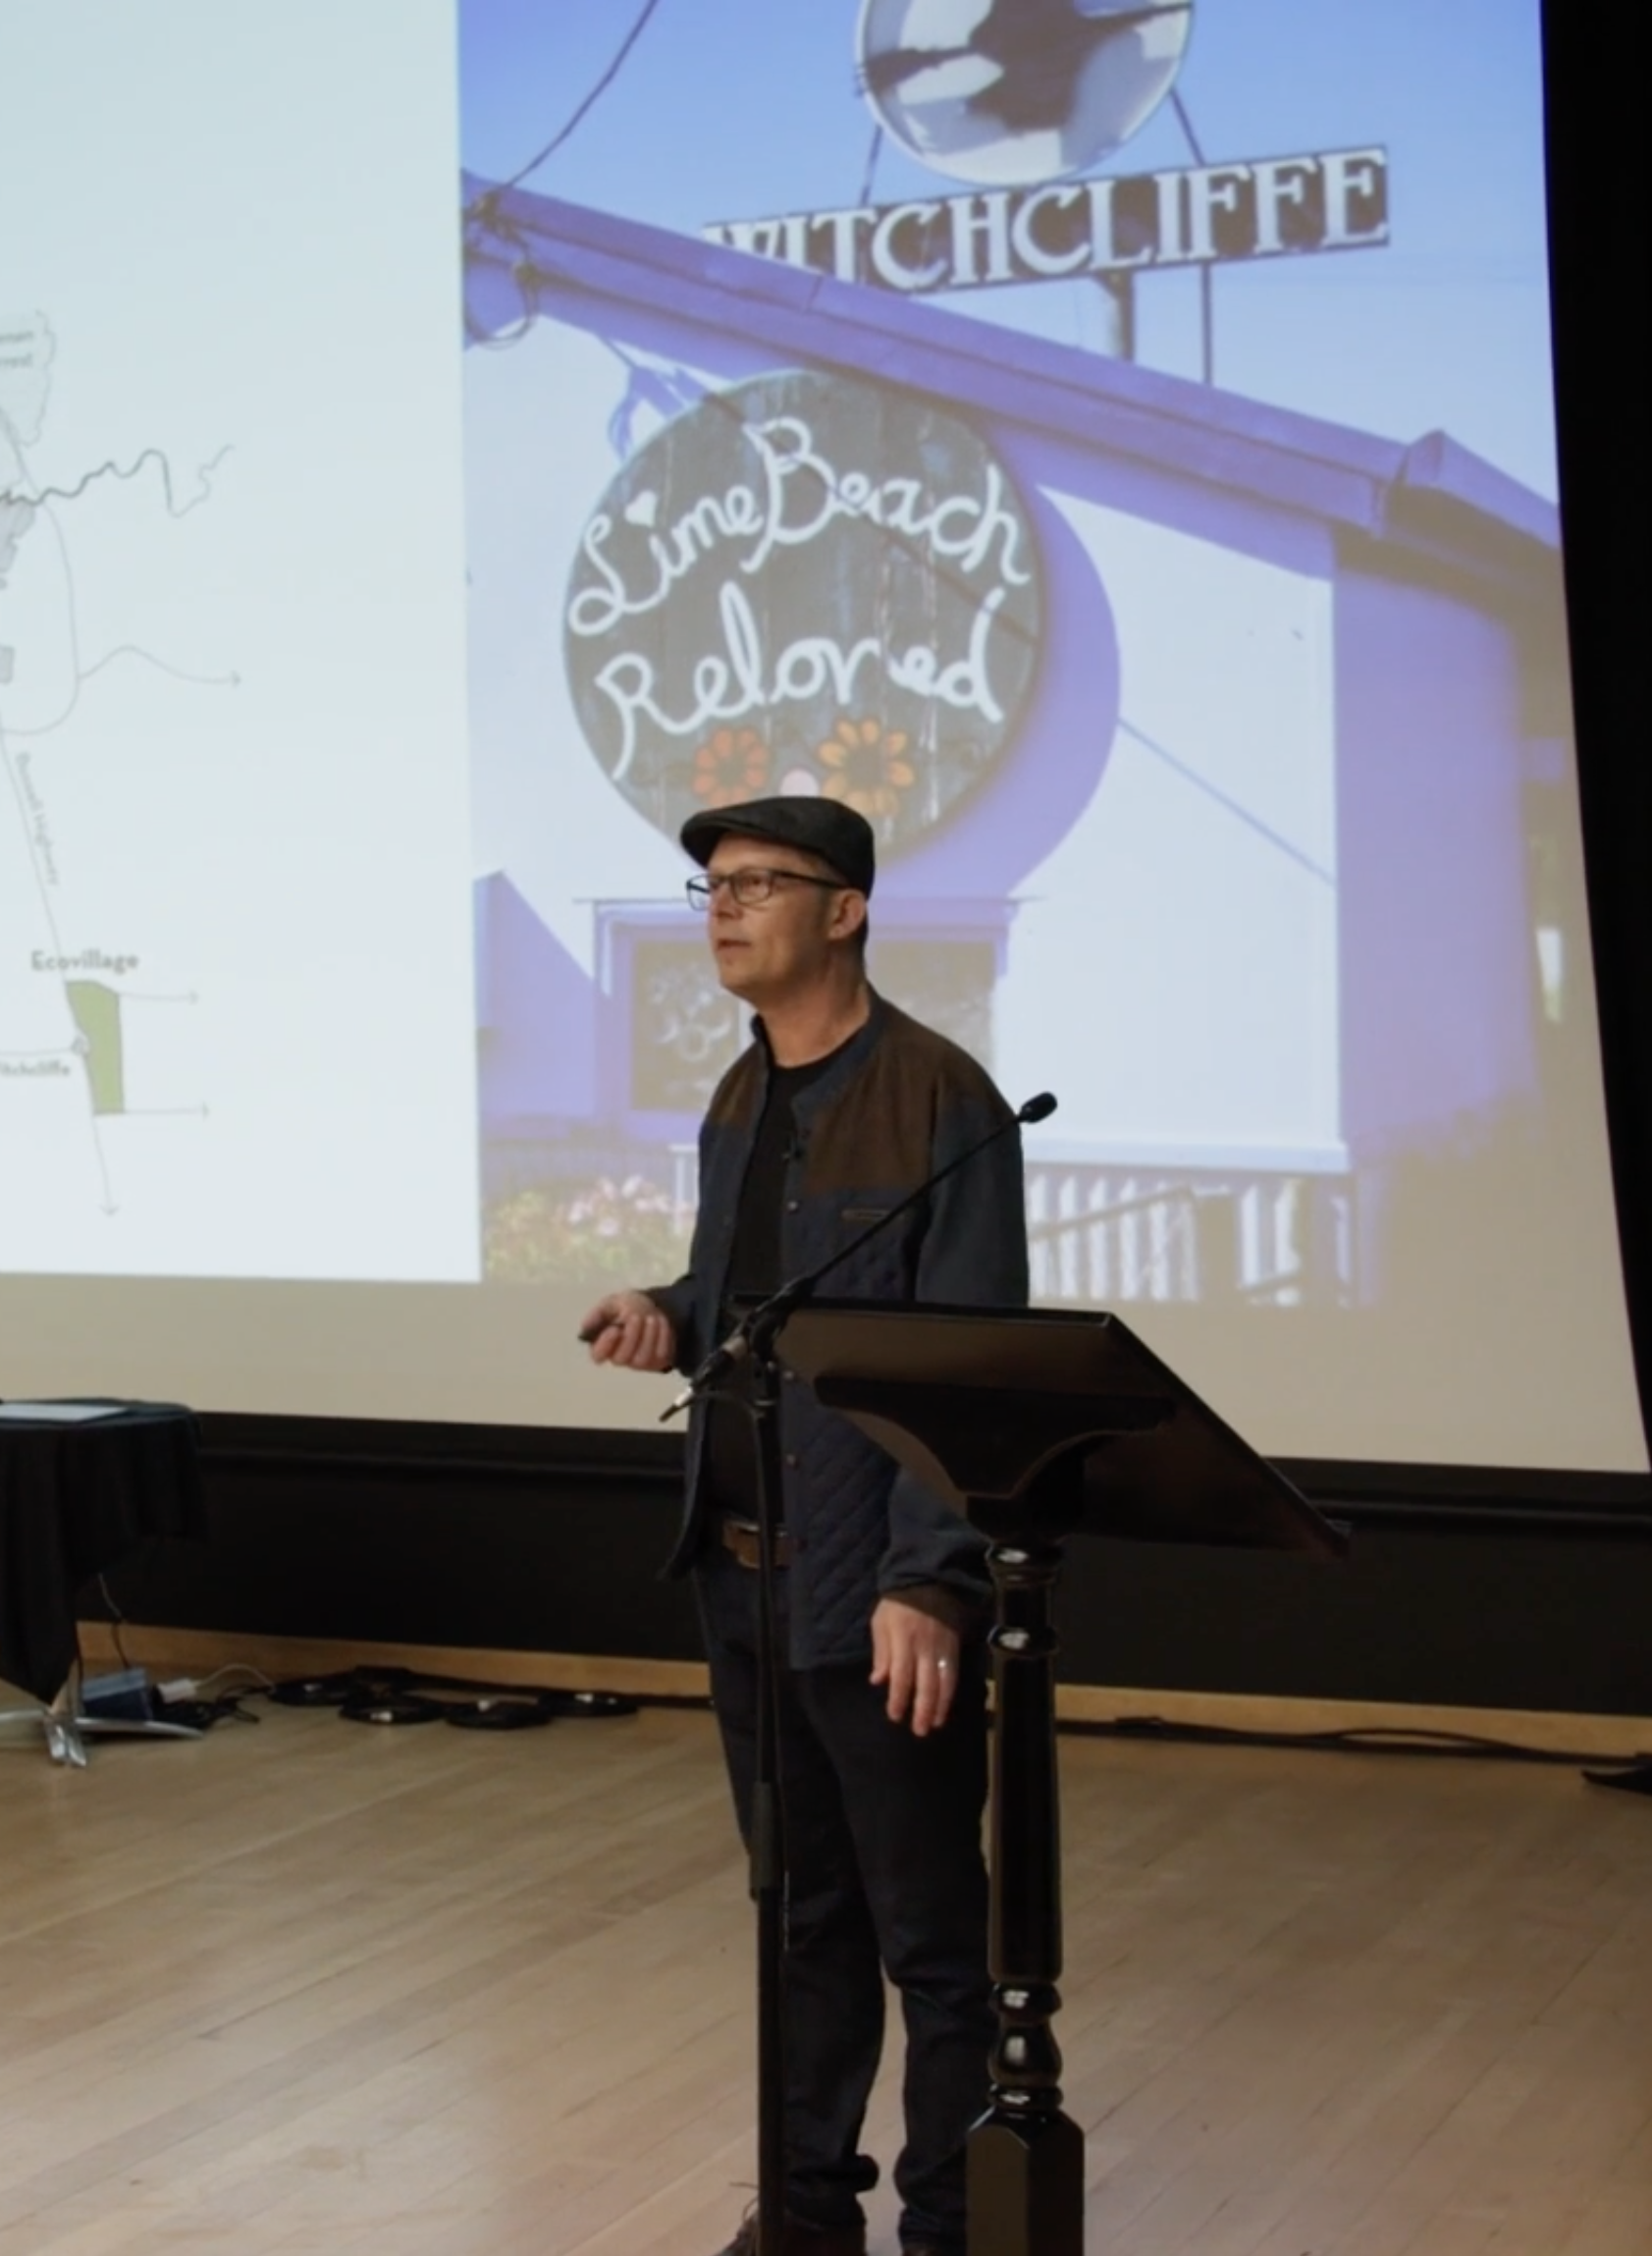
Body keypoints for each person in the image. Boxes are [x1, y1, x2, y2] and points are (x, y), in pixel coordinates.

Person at [581, 795, 1025, 2256]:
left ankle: (952, 2225)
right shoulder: (739, 1095)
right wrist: (671, 1308)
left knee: (931, 1938)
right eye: (710, 885)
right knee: (799, 1917)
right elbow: (760, 1299)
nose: (723, 906)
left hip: (874, 1595)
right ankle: (804, 2214)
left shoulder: (939, 1096)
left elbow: (966, 1367)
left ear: (846, 911)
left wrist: (930, 1579)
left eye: (760, 882)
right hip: (741, 1576)